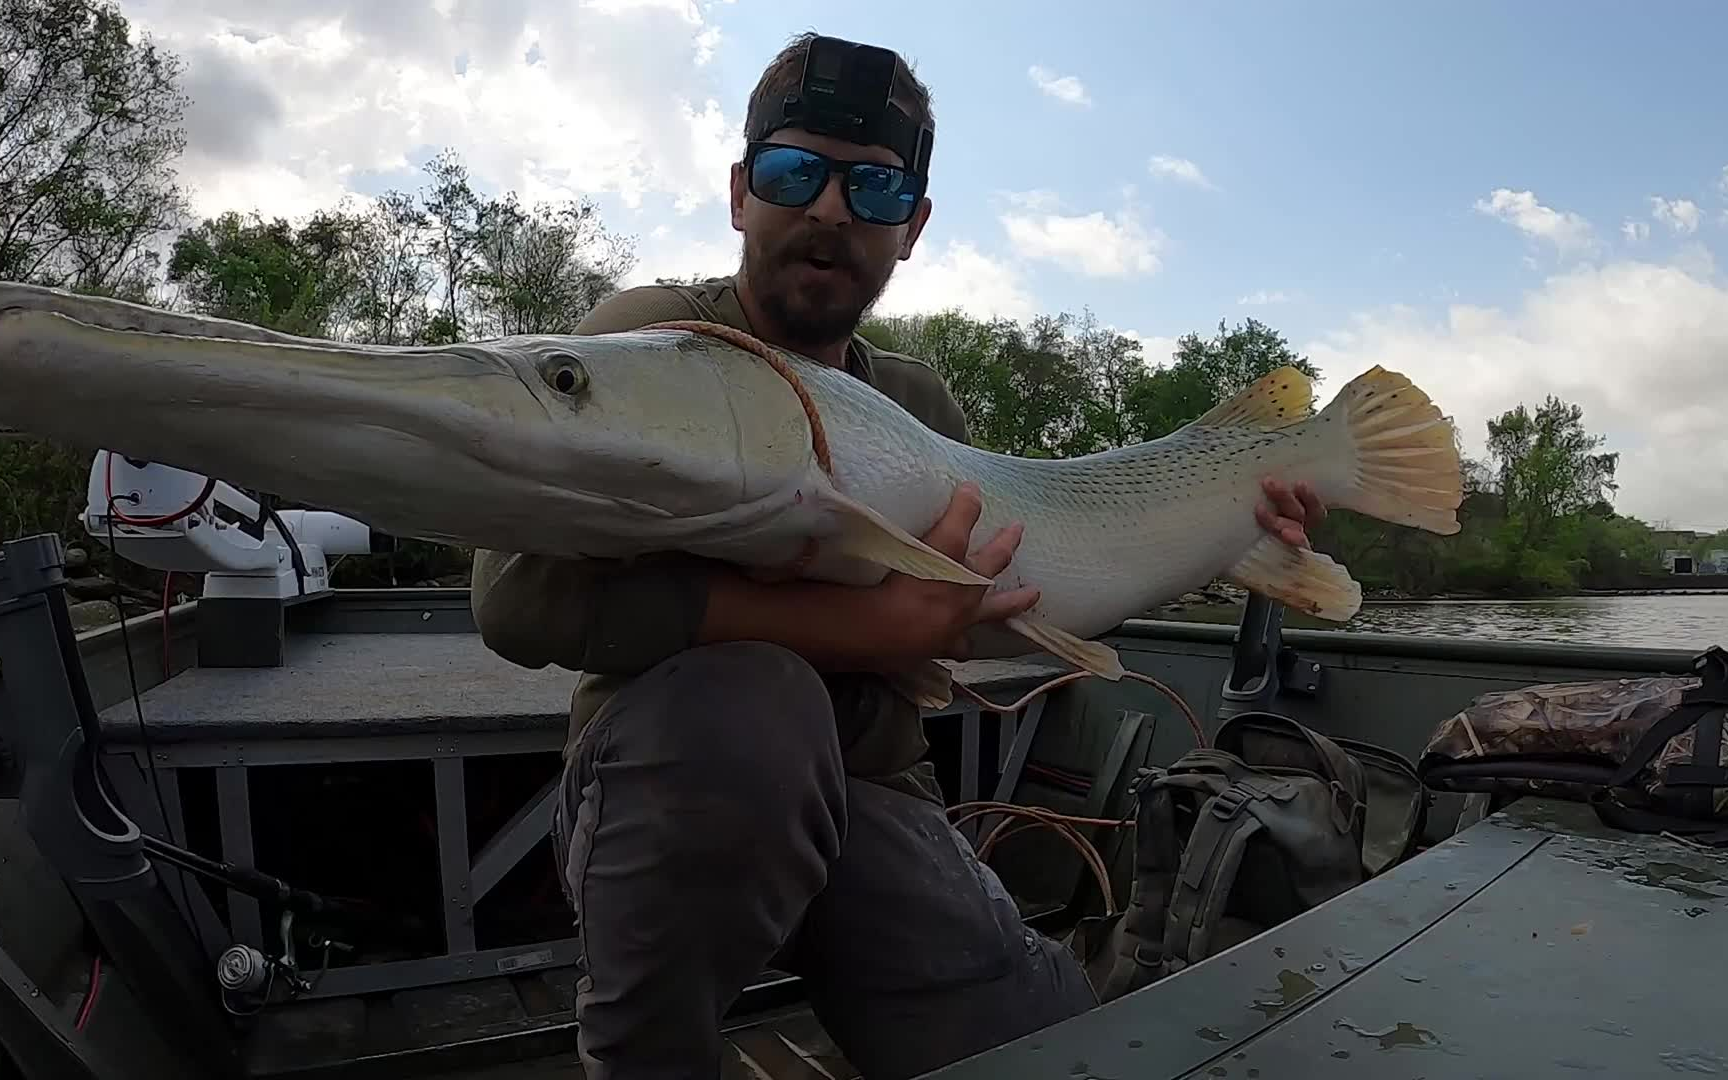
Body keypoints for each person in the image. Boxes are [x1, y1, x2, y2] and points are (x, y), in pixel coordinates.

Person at [470, 30, 1325, 1080]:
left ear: (912, 227)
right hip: (670, 801)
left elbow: (996, 605)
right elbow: (513, 597)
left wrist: (1230, 528)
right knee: (752, 711)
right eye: (796, 171)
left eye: (874, 188)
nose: (829, 208)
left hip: (874, 791)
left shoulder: (918, 403)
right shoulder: (657, 340)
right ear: (742, 193)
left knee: (1051, 1041)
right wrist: (853, 629)